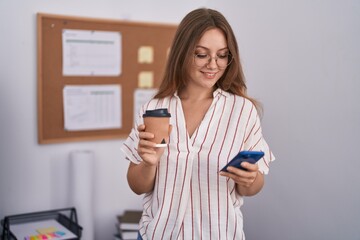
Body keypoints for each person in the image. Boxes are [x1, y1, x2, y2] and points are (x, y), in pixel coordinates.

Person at [121, 7, 275, 240]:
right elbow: (137, 185)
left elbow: (251, 187)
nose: (213, 65)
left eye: (222, 55)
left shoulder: (242, 111)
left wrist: (250, 178)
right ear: (183, 53)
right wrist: (149, 164)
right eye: (201, 54)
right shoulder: (154, 109)